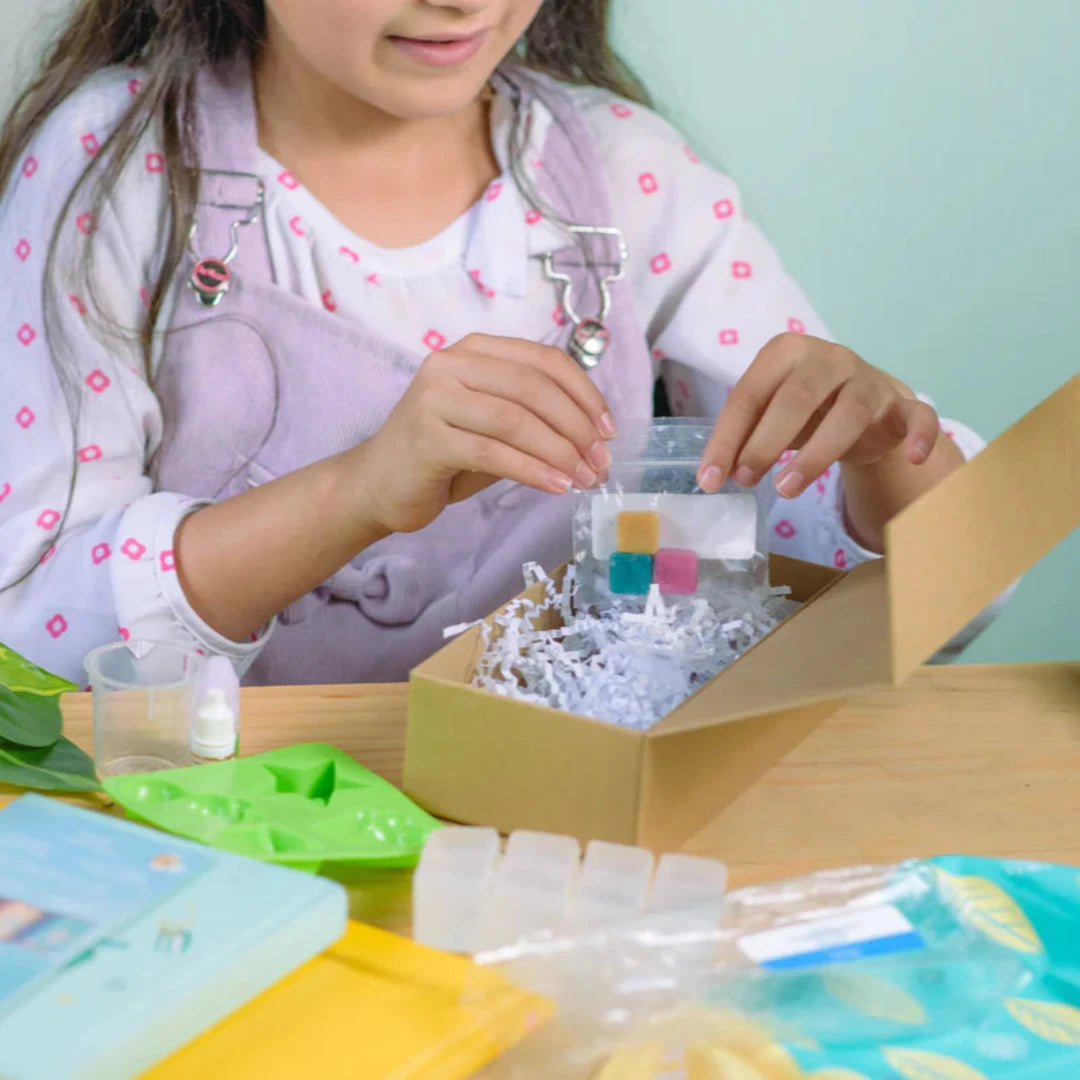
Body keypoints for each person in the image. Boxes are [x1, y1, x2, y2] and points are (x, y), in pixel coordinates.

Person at [0, 0, 1000, 686]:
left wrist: (881, 459)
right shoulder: (122, 170)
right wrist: (357, 492)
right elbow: (33, 633)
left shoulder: (625, 177)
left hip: (565, 832)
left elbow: (931, 610)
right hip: (217, 843)